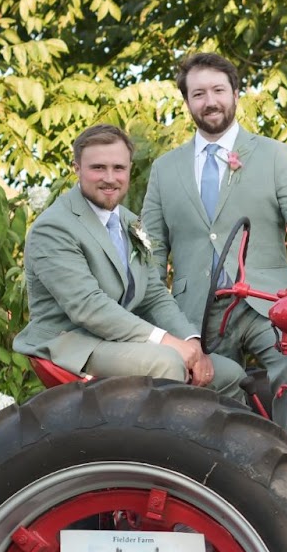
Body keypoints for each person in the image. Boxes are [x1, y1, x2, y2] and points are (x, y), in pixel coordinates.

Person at [139, 52, 287, 427]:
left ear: (236, 93)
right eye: (199, 93)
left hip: (268, 302)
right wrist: (151, 317)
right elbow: (151, 249)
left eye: (219, 90)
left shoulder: (273, 155)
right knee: (205, 396)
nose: (210, 101)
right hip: (195, 311)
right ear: (187, 101)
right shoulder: (164, 168)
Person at [14, 123, 244, 398]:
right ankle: (160, 442)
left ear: (129, 170)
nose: (110, 178)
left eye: (118, 168)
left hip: (121, 340)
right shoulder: (53, 228)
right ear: (76, 169)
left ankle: (224, 442)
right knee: (167, 363)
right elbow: (88, 307)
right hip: (74, 342)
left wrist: (190, 342)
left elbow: (153, 295)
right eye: (98, 168)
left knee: (231, 375)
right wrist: (168, 342)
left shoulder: (128, 221)